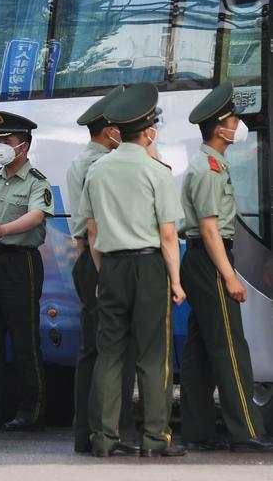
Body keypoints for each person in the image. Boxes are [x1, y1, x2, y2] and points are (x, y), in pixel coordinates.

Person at [80, 83, 186, 457]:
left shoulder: (97, 170)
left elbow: (91, 231)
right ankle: (155, 438)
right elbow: (169, 235)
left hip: (111, 266)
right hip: (149, 266)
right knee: (153, 354)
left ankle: (104, 439)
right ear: (149, 131)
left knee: (109, 354)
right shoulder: (157, 172)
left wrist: (101, 273)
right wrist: (175, 280)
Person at [180, 82, 273, 452]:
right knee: (232, 346)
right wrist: (231, 275)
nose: (238, 124)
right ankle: (245, 430)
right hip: (209, 259)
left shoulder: (212, 163)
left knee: (201, 349)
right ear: (220, 129)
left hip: (205, 258)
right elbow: (209, 228)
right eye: (233, 119)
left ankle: (199, 431)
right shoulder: (207, 168)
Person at [0, 111, 54, 432]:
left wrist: (4, 229)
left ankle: (30, 410)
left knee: (24, 338)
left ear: (25, 145)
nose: (1, 146)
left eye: (7, 141)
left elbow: (36, 216)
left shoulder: (36, 181)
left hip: (22, 262)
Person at [67, 86, 138, 453]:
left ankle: (87, 432)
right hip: (102, 258)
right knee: (113, 349)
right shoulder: (100, 164)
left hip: (86, 258)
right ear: (110, 129)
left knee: (92, 348)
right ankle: (113, 430)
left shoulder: (81, 160)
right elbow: (96, 225)